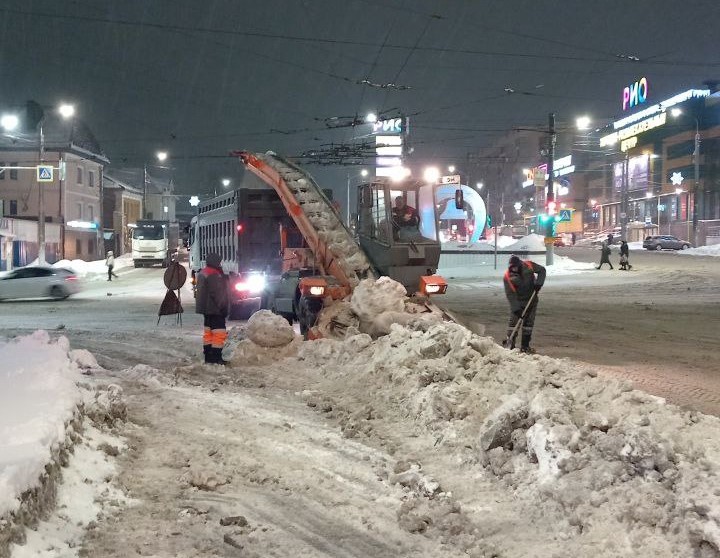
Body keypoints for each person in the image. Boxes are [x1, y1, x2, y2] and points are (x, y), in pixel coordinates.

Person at [503, 254, 546, 353]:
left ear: (519, 264)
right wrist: (516, 309)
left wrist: (539, 283)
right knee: (513, 324)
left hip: (532, 300)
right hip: (518, 302)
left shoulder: (529, 266)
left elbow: (542, 270)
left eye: (515, 267)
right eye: (512, 267)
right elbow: (510, 294)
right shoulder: (507, 277)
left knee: (528, 324)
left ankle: (525, 346)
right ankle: (510, 345)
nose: (513, 269)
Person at [195, 252, 230, 365]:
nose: (220, 264)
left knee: (208, 333)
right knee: (219, 333)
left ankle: (208, 356)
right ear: (216, 262)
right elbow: (217, 293)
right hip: (215, 309)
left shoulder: (203, 272)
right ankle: (216, 357)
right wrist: (223, 307)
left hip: (206, 310)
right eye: (219, 262)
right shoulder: (214, 274)